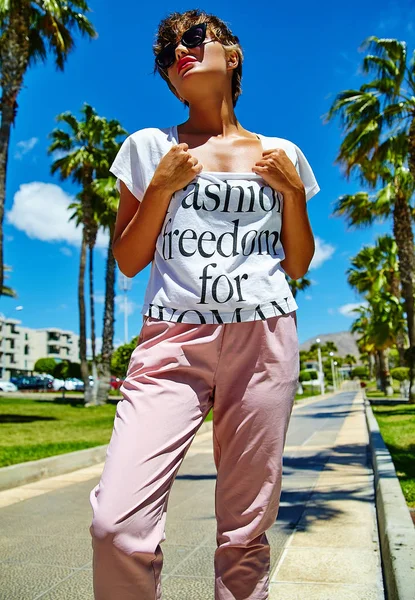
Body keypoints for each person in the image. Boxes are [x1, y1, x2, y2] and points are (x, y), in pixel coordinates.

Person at [89, 8, 320, 599]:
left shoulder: (282, 153)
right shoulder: (148, 147)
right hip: (173, 341)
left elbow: (296, 264)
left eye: (194, 39)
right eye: (168, 53)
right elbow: (128, 257)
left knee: (245, 534)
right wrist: (162, 187)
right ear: (169, 79)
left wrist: (293, 193)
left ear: (232, 54)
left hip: (264, 337)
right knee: (117, 526)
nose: (180, 53)